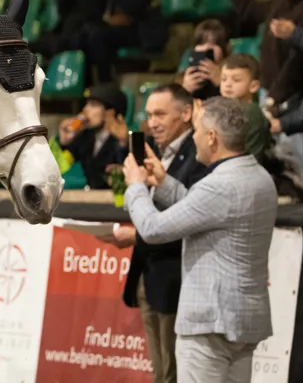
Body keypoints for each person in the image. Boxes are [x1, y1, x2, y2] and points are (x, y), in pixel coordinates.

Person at [122, 97, 277, 383]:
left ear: (212, 137)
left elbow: (153, 228)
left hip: (210, 325)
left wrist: (135, 187)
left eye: (196, 131)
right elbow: (209, 211)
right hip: (244, 322)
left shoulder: (218, 186)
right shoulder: (260, 177)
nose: (193, 138)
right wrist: (164, 181)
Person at [103, 84, 206, 383]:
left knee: (175, 373)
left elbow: (193, 218)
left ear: (186, 113)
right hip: (149, 276)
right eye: (149, 115)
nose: (153, 122)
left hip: (179, 281)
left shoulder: (200, 153)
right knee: (160, 372)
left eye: (160, 113)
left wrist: (136, 236)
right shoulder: (156, 151)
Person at [225, 0, 303, 165]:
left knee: (298, 160)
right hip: (270, 90)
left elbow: (298, 61)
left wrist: (275, 97)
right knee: (269, 156)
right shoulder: (279, 2)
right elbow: (249, 8)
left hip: (295, 96)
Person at [57, 84, 129, 190]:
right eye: (87, 104)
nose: (85, 110)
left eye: (93, 105)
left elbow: (124, 185)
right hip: (93, 199)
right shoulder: (86, 137)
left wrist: (123, 143)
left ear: (110, 112)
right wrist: (63, 143)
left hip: (116, 201)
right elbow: (60, 167)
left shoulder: (125, 141)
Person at [218, 54, 272, 163]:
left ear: (254, 86)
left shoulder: (251, 112)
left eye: (236, 80)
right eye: (223, 79)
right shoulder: (226, 109)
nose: (228, 84)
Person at [181, 19, 230, 101]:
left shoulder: (232, 73)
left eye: (214, 44)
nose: (207, 48)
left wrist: (220, 82)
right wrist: (185, 89)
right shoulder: (186, 75)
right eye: (201, 43)